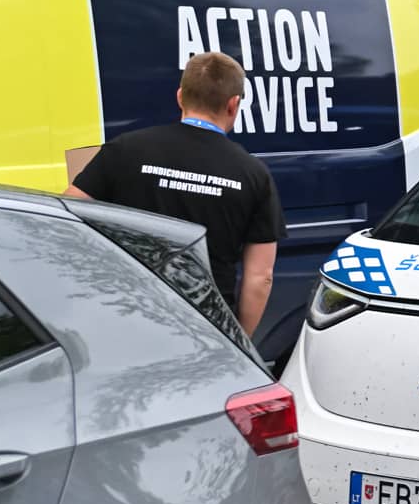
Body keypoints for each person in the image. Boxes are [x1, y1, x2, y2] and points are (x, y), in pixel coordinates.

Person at [66, 51, 285, 334]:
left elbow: (67, 215)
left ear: (180, 97)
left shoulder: (125, 149)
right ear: (233, 104)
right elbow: (260, 277)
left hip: (126, 314)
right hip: (206, 328)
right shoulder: (253, 174)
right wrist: (237, 342)